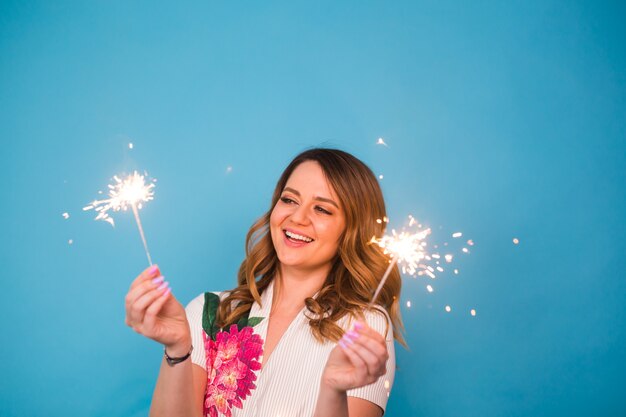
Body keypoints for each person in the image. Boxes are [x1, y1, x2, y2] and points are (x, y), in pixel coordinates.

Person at [125, 148, 405, 417]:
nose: (297, 217)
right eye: (289, 200)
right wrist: (177, 349)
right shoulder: (210, 312)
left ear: (353, 230)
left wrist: (333, 390)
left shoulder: (363, 328)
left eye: (322, 209)